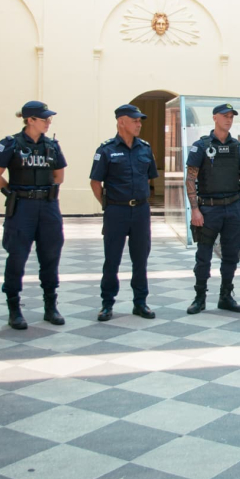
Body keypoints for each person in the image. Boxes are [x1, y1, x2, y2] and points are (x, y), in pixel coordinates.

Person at [0, 101, 66, 330]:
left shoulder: (52, 146)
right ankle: (14, 308)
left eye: (49, 118)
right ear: (29, 120)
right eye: (44, 118)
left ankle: (50, 306)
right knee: (17, 257)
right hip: (22, 207)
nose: (48, 121)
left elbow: (59, 176)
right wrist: (11, 193)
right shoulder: (10, 144)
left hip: (48, 206)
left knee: (51, 256)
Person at [90, 104, 158, 321]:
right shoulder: (106, 150)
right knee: (112, 259)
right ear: (121, 122)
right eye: (135, 120)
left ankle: (140, 303)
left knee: (140, 259)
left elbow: (148, 178)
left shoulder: (145, 148)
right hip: (116, 211)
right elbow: (95, 182)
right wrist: (108, 204)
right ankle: (107, 304)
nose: (139, 124)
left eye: (140, 120)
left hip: (140, 211)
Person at [186, 103, 240, 314]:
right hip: (209, 209)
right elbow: (190, 178)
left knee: (231, 255)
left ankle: (226, 296)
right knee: (204, 256)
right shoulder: (201, 146)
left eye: (231, 116)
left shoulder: (237, 147)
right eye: (224, 116)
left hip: (233, 207)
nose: (229, 119)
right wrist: (195, 210)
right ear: (215, 117)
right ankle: (200, 298)